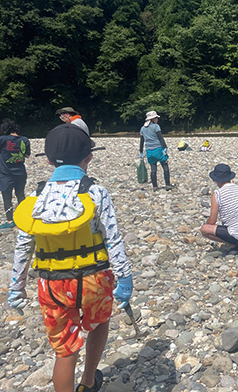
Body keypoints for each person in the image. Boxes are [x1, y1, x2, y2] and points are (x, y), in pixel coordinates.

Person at [8, 124, 132, 392]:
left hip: (52, 285)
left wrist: (16, 288)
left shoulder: (34, 198)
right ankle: (88, 382)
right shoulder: (96, 193)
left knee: (64, 350)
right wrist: (125, 278)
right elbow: (113, 238)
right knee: (98, 324)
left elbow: (23, 246)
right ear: (89, 157)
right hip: (94, 279)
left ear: (50, 161)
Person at [0, 119, 30, 229]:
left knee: (7, 198)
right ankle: (23, 217)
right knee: (20, 195)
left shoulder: (2, 140)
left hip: (6, 174)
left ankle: (9, 220)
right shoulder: (25, 140)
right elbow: (27, 155)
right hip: (20, 173)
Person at [139, 111, 173, 191]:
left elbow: (141, 141)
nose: (157, 119)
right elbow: (160, 138)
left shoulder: (142, 129)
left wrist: (141, 152)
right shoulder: (156, 126)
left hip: (149, 151)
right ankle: (167, 184)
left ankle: (155, 186)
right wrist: (165, 147)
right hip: (158, 149)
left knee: (153, 169)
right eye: (156, 118)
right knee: (165, 166)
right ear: (152, 119)